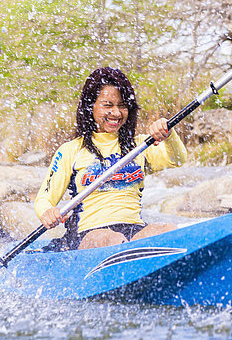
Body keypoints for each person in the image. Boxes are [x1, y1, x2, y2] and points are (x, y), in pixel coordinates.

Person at [34, 67, 187, 250]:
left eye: (122, 106)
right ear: (91, 106)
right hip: (88, 235)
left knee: (167, 230)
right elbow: (44, 199)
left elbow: (177, 159)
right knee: (110, 239)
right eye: (108, 105)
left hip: (134, 230)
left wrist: (168, 134)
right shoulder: (71, 150)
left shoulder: (140, 145)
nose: (116, 113)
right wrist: (47, 212)